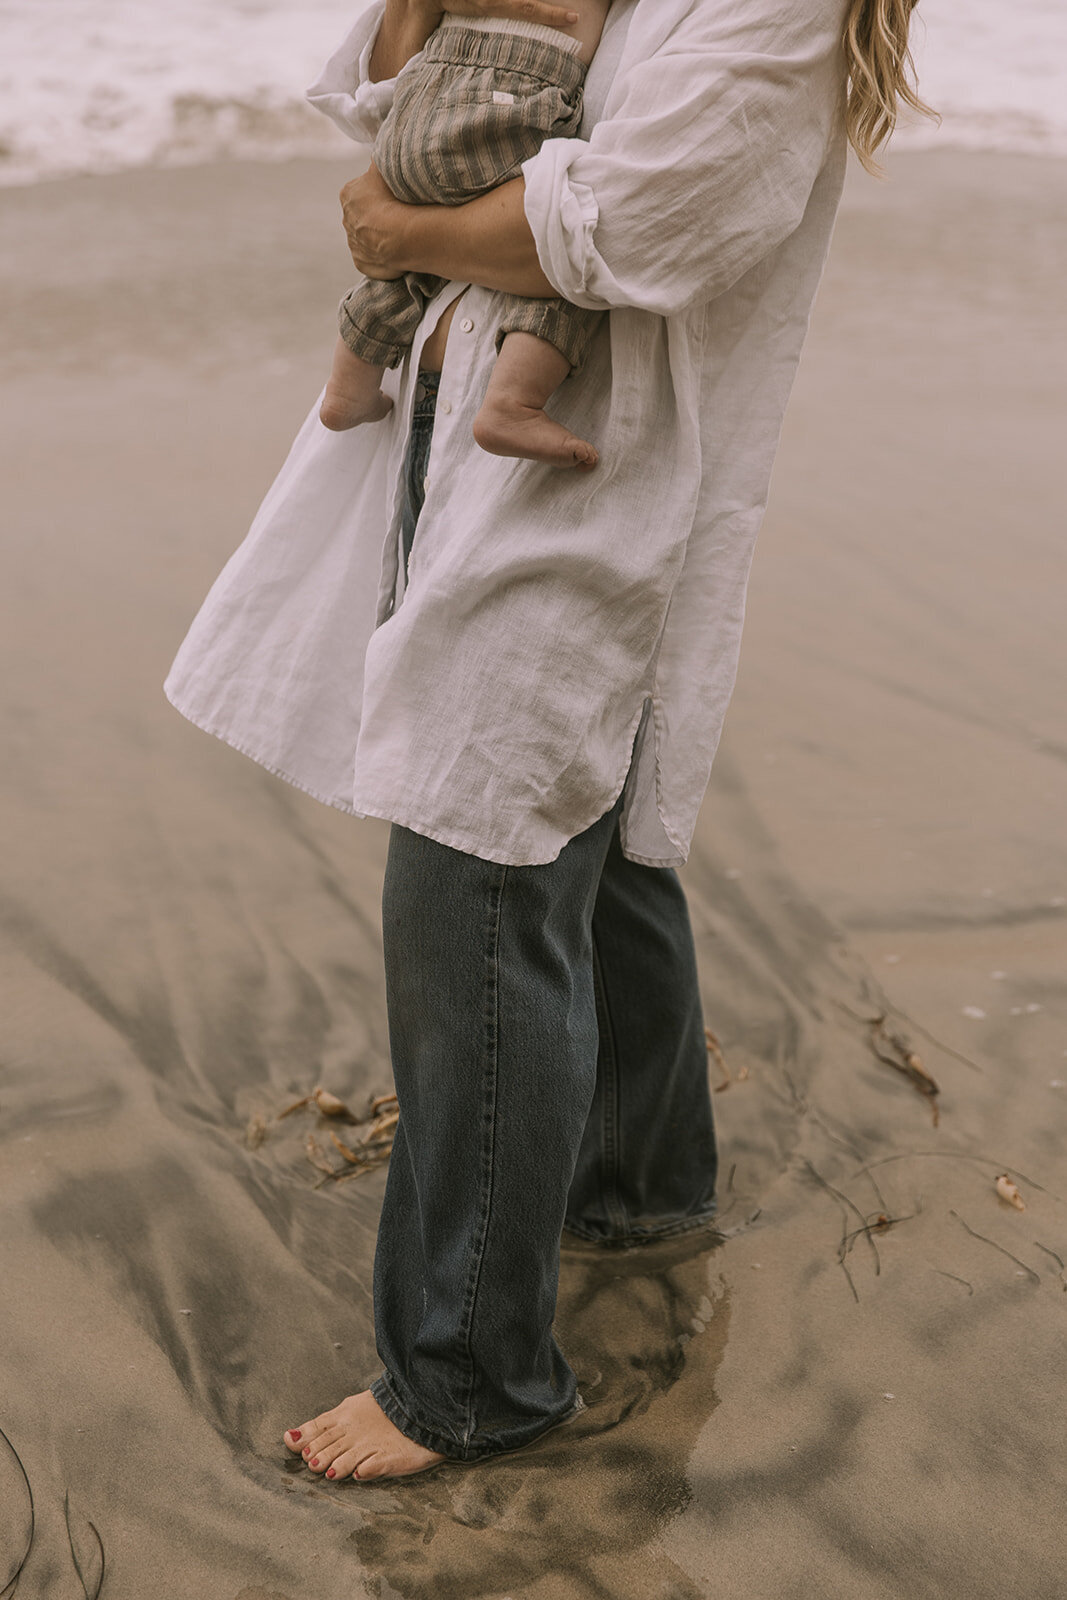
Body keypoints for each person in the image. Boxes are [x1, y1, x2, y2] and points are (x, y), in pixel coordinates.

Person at [163, 0, 933, 1482]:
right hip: (463, 429)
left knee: (479, 867)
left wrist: (404, 230)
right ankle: (639, 1183)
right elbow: (395, 92)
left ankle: (466, 1376)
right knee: (584, 834)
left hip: (600, 476)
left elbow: (634, 223)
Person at [319, 4, 612, 473]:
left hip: (414, 105)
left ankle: (347, 389)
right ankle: (512, 404)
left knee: (419, 248)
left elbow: (369, 86)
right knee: (565, 236)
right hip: (506, 102)